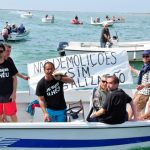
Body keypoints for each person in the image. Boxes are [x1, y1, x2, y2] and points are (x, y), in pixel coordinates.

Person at [129, 50, 150, 119]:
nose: (145, 57)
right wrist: (132, 69)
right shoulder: (145, 67)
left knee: (134, 109)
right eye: (144, 56)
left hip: (144, 93)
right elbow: (141, 74)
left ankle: (135, 122)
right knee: (131, 107)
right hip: (140, 91)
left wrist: (143, 85)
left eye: (147, 56)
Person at [0, 43, 18, 122]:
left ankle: (18, 132)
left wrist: (14, 93)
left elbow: (14, 78)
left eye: (1, 51)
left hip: (8, 94)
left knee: (12, 114)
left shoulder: (9, 62)